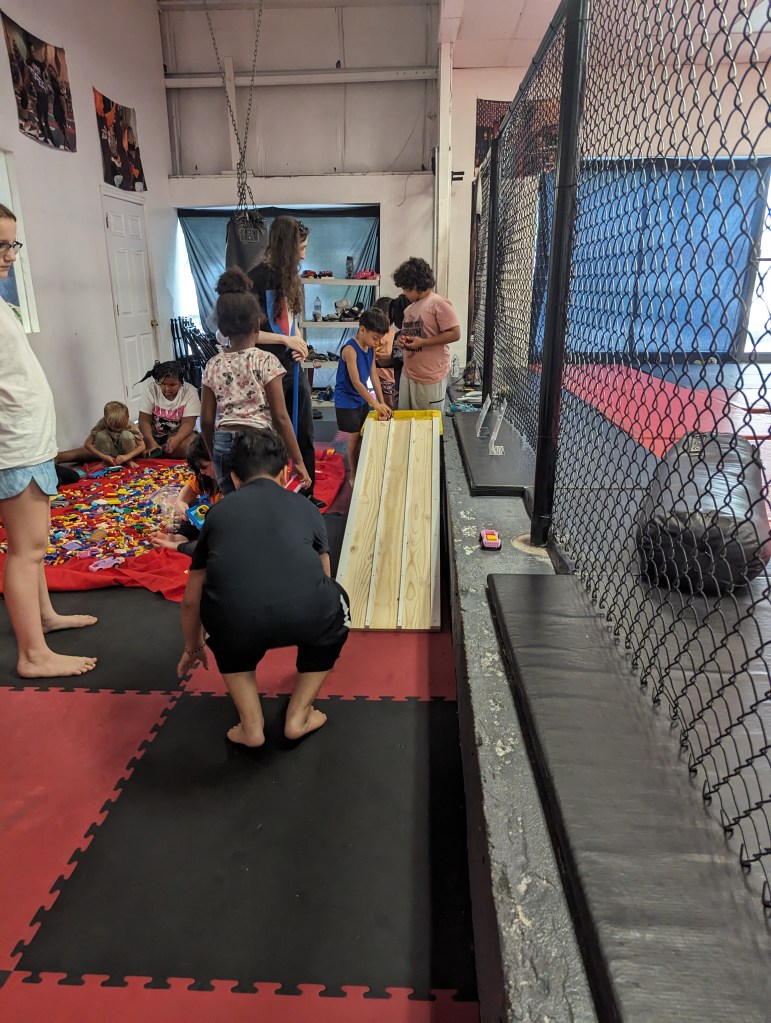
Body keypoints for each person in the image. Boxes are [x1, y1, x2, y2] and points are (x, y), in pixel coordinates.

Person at [177, 427, 350, 746]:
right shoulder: (307, 507)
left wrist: (193, 648)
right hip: (308, 615)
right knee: (337, 602)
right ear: (284, 472)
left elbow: (191, 599)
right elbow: (325, 577)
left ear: (234, 477)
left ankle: (251, 725)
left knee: (223, 617)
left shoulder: (217, 512)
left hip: (237, 626)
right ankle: (299, 714)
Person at [0, 204, 97, 678]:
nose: (9, 254)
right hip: (13, 448)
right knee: (26, 550)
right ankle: (33, 655)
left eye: (12, 243)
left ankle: (44, 617)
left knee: (35, 546)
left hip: (29, 443)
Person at [200, 267, 311, 496]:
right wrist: (299, 461)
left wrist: (214, 455)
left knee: (232, 502)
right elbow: (280, 417)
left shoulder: (212, 365)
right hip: (256, 445)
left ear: (223, 329)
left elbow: (207, 420)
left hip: (223, 442)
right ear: (257, 326)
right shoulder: (265, 361)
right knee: (263, 501)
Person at [248, 217, 322, 506]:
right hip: (267, 372)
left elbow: (292, 322)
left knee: (303, 431)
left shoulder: (291, 278)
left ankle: (306, 494)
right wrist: (285, 340)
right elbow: (247, 334)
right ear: (287, 248)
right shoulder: (255, 279)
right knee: (272, 434)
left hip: (292, 366)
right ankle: (273, 497)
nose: (304, 255)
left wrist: (299, 343)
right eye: (301, 248)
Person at [392, 257, 461, 412]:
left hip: (430, 376)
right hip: (408, 374)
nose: (404, 293)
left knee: (427, 422)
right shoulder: (409, 309)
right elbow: (407, 334)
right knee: (405, 419)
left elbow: (455, 333)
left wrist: (423, 342)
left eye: (406, 289)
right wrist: (401, 341)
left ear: (416, 285)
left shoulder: (438, 303)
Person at [333, 306, 393, 484]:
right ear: (362, 330)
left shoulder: (370, 348)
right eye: (375, 338)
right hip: (347, 399)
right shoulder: (350, 350)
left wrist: (382, 402)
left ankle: (360, 467)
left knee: (362, 434)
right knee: (354, 436)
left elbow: (374, 376)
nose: (377, 342)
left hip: (360, 397)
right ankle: (353, 474)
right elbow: (357, 382)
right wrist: (375, 404)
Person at [149, 434, 222, 557]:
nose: (202, 472)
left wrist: (176, 547)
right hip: (212, 521)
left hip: (223, 531)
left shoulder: (231, 486)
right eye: (199, 469)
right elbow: (189, 490)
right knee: (194, 505)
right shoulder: (206, 477)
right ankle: (182, 536)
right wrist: (181, 503)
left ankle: (181, 544)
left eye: (204, 467)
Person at [138, 361, 201, 458]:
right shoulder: (150, 390)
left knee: (189, 446)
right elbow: (144, 420)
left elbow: (188, 423)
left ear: (181, 383)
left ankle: (160, 452)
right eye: (163, 384)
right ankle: (159, 450)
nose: (167, 389)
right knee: (132, 443)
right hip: (154, 435)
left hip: (179, 434)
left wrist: (177, 439)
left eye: (172, 385)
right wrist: (150, 441)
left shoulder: (190, 391)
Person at [57, 400, 145, 468]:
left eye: (121, 427)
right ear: (106, 421)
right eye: (114, 427)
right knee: (101, 435)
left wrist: (126, 457)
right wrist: (103, 457)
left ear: (127, 418)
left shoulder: (130, 425)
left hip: (125, 453)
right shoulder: (102, 423)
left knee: (127, 435)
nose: (118, 430)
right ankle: (105, 462)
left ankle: (129, 461)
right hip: (108, 454)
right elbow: (87, 444)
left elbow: (142, 446)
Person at [372, 295, 398, 410]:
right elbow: (371, 354)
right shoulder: (377, 334)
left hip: (393, 375)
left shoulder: (392, 331)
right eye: (388, 316)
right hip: (383, 376)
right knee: (387, 405)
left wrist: (391, 356)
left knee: (394, 404)